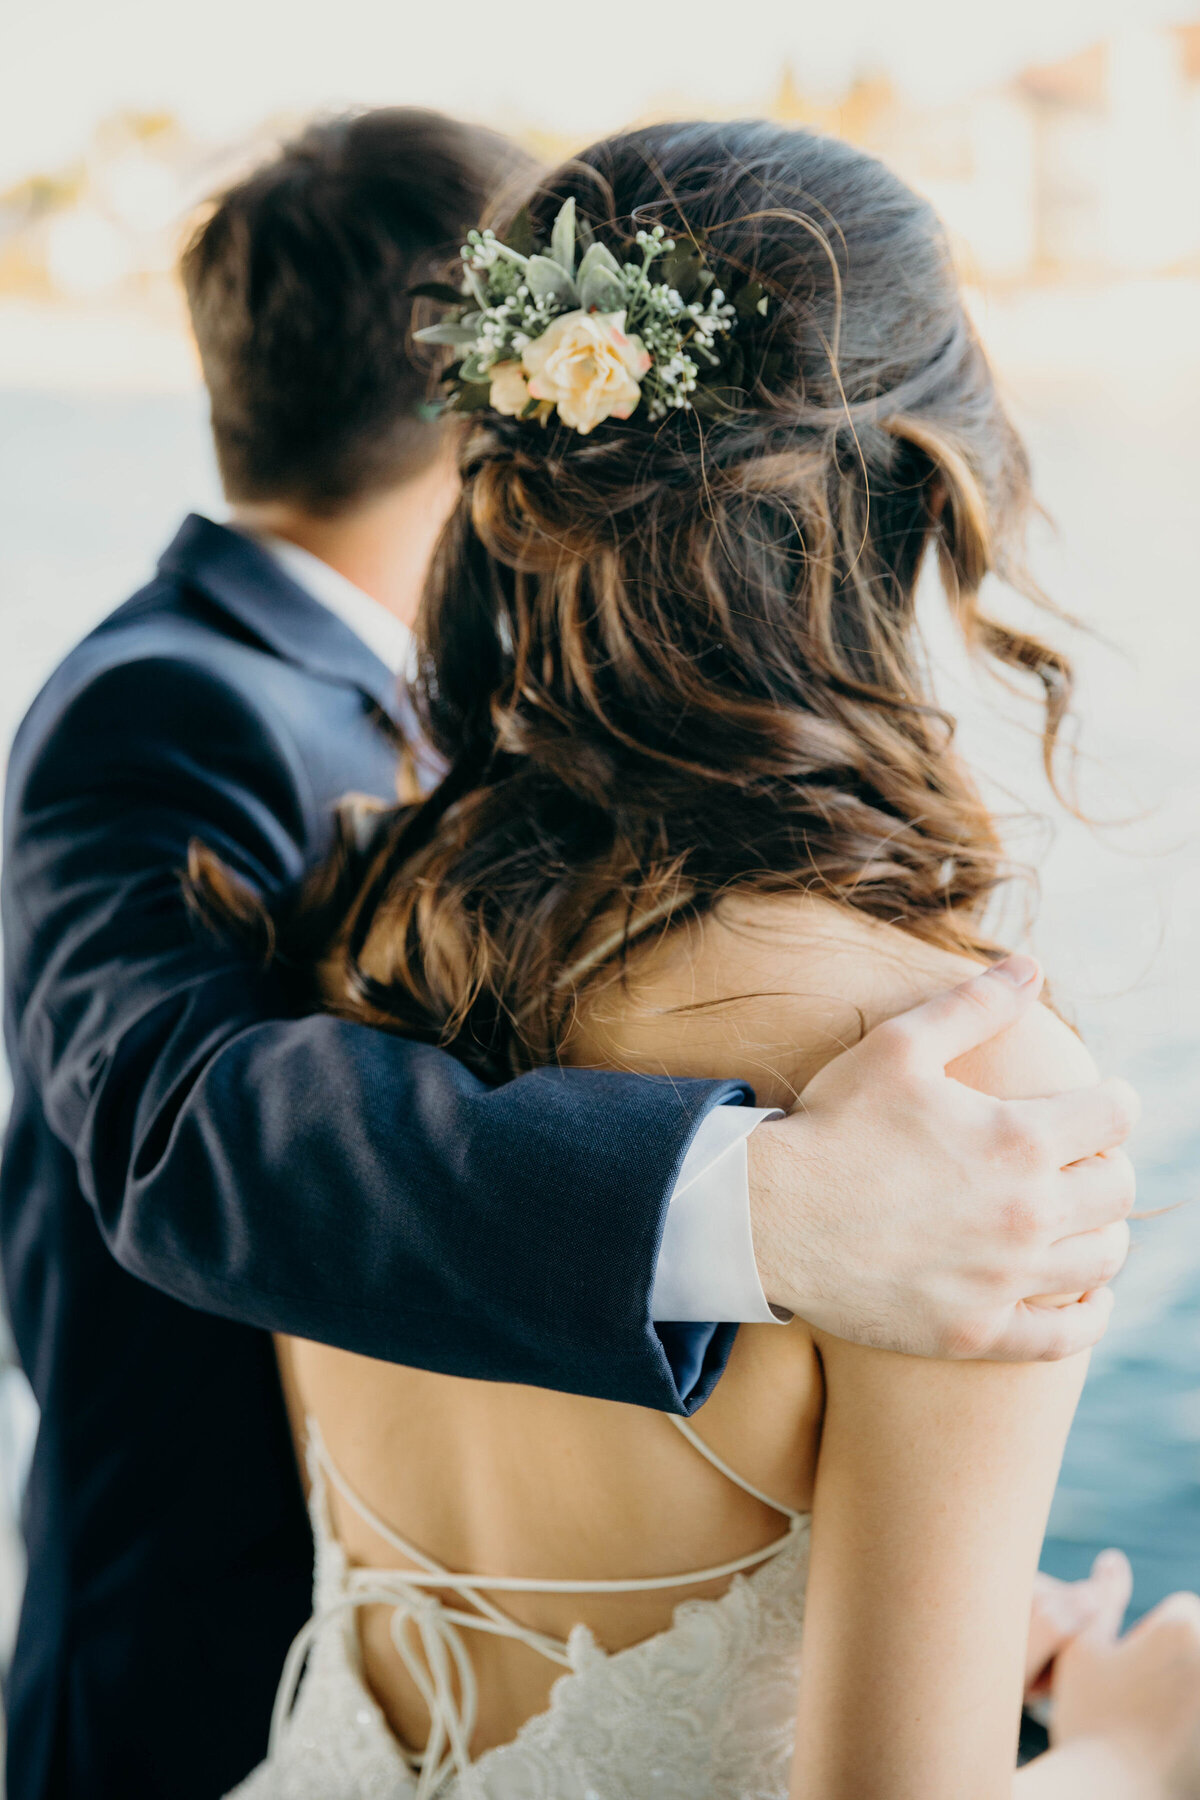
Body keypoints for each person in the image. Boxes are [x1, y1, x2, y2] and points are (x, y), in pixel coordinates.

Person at [0, 111, 1139, 1800]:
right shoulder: (957, 1101)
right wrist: (1129, 1751)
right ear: (925, 487)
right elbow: (178, 1126)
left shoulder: (370, 910)